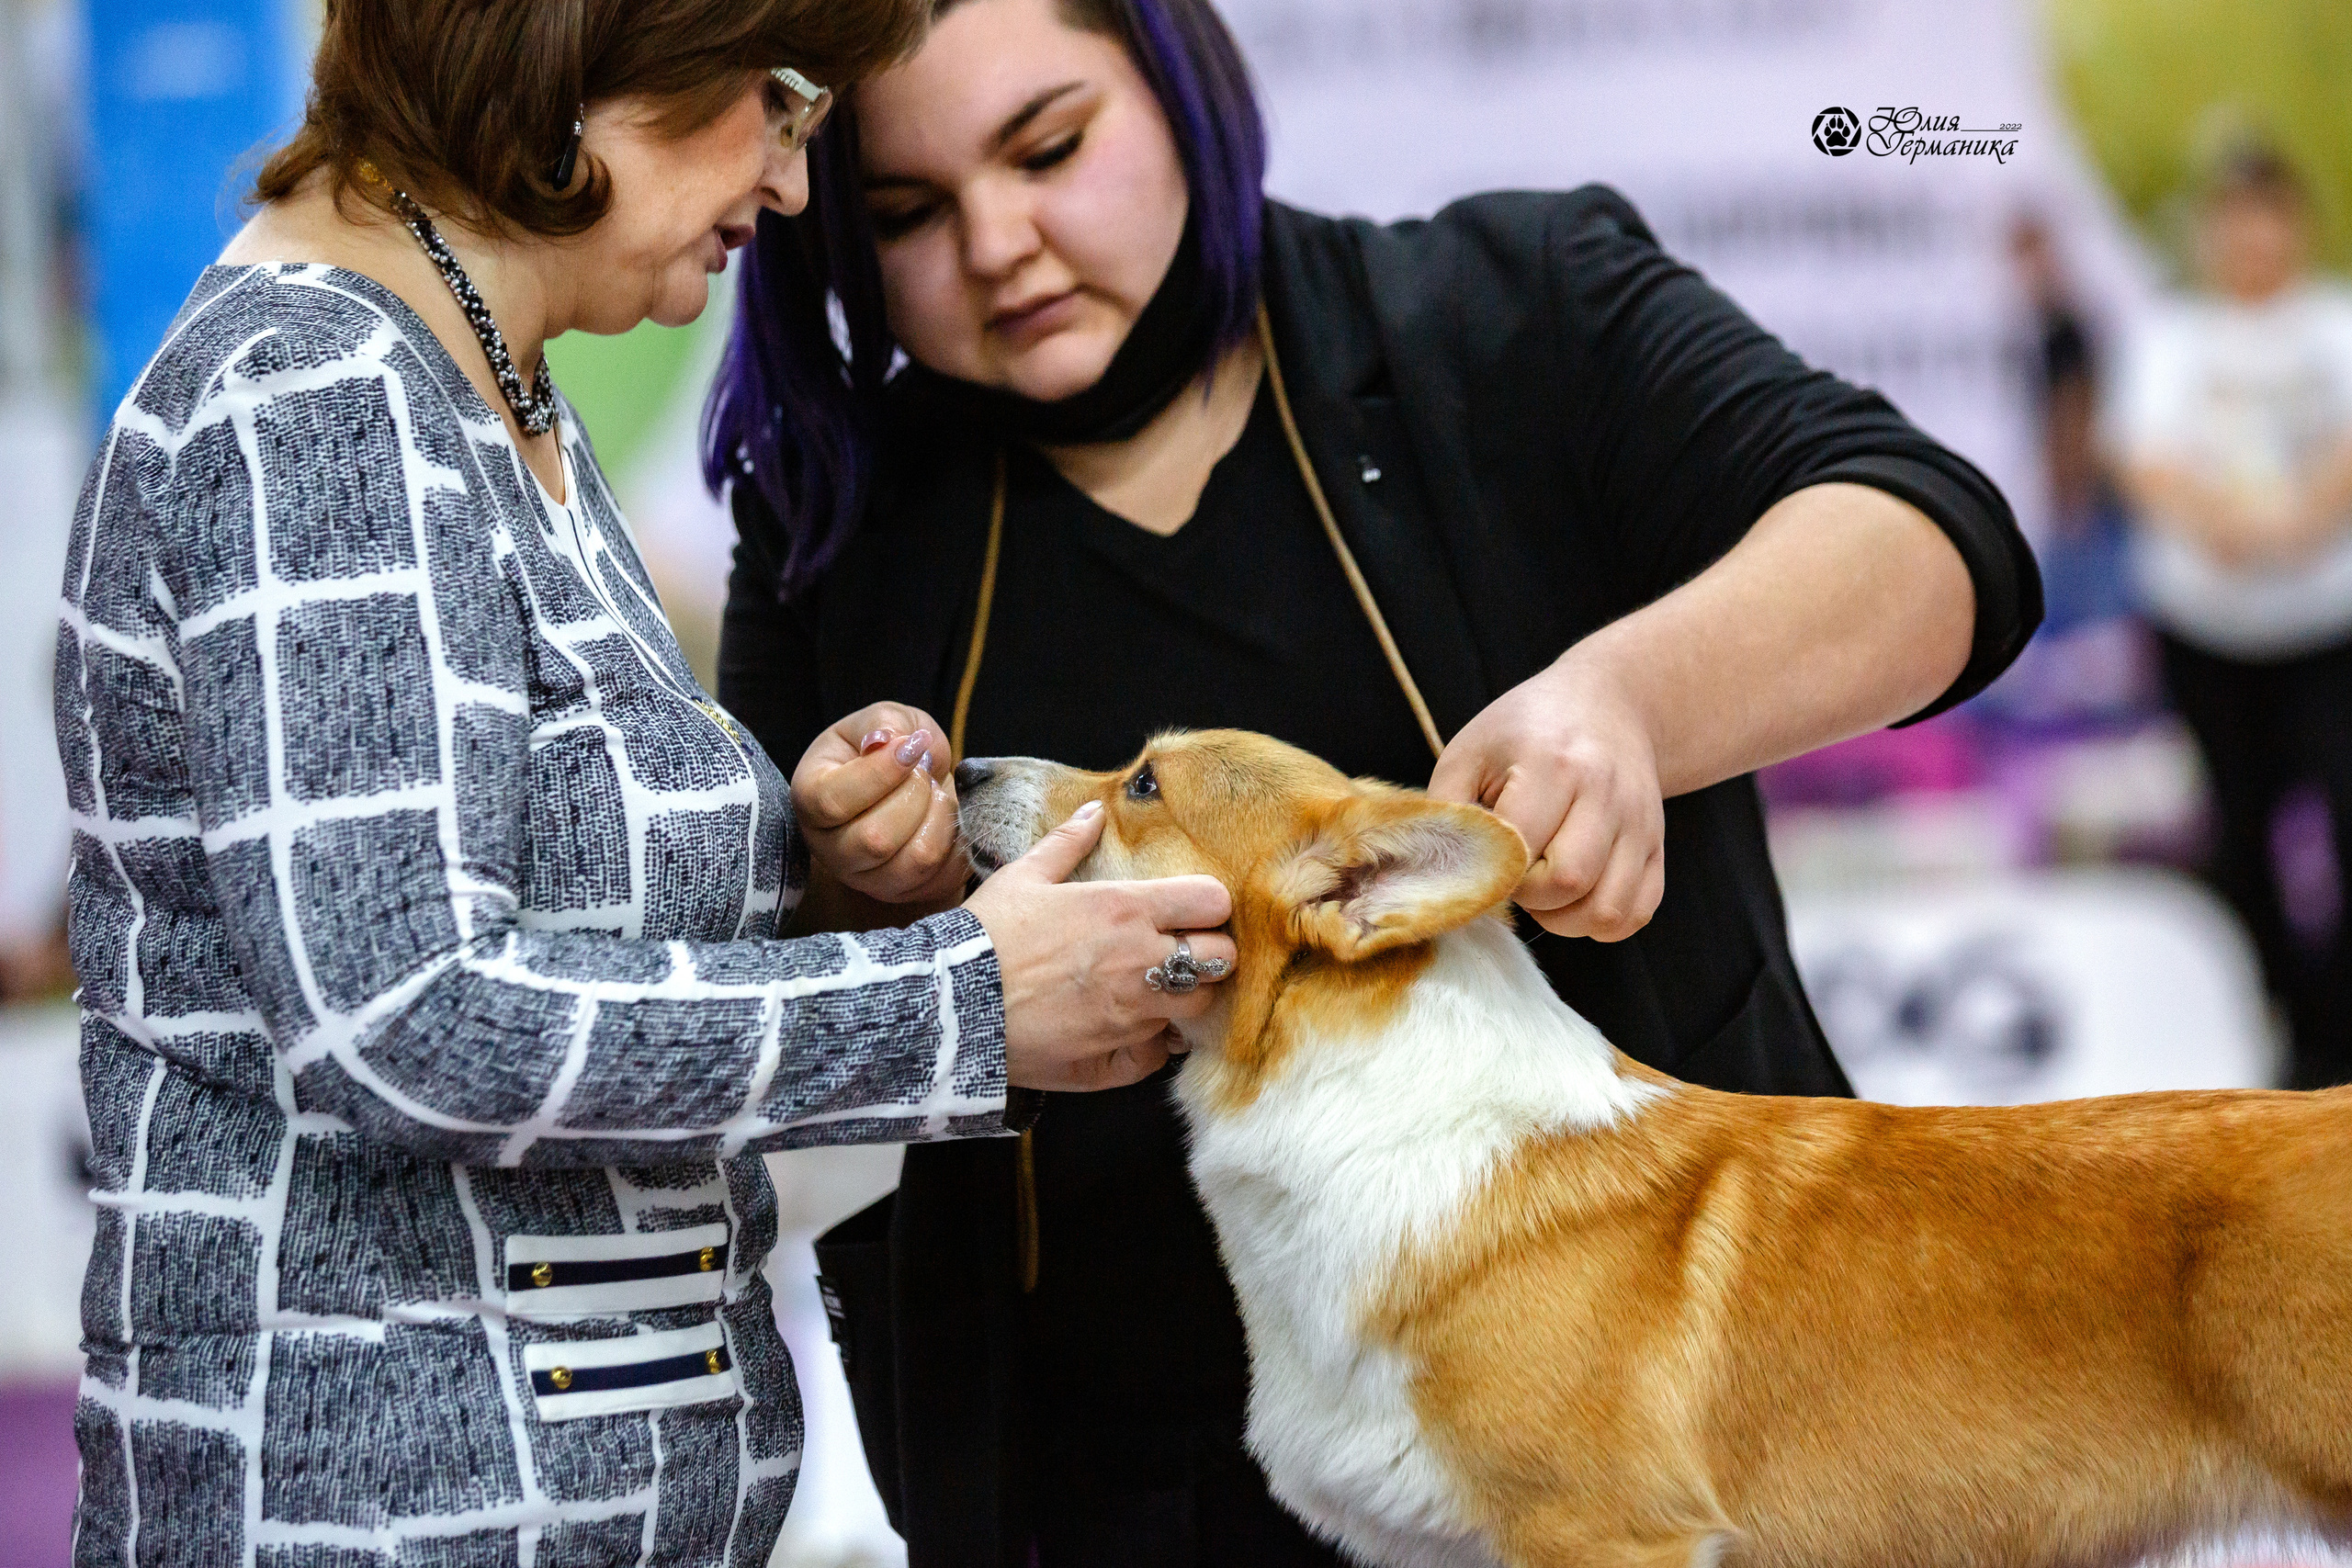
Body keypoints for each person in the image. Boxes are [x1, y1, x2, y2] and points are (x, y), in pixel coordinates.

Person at [708, 0, 2041, 1560]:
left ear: (1181, 82)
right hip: (1093, 1471)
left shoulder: (1511, 313)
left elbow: (1940, 535)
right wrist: (852, 885)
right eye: (906, 216)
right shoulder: (838, 510)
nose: (1000, 241)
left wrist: (1628, 703)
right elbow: (754, 1012)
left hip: (1658, 1462)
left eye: (1052, 147)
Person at [55, 2, 1240, 1562]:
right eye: (780, 96)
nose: (796, 183)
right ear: (590, 54)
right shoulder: (313, 391)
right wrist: (958, 999)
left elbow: (572, 965)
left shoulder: (478, 371)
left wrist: (828, 874)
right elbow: (401, 1014)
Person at [2109, 142, 2352, 1090]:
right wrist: (2221, 525)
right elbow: (2142, 458)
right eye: (2232, 216)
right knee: (2238, 826)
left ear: (2294, 225)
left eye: (2267, 214)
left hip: (2328, 632)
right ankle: (2275, 1016)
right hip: (2206, 632)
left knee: (2343, 817)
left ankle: (2340, 1021)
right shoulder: (2169, 335)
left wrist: (2298, 523)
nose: (2250, 237)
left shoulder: (2334, 323)